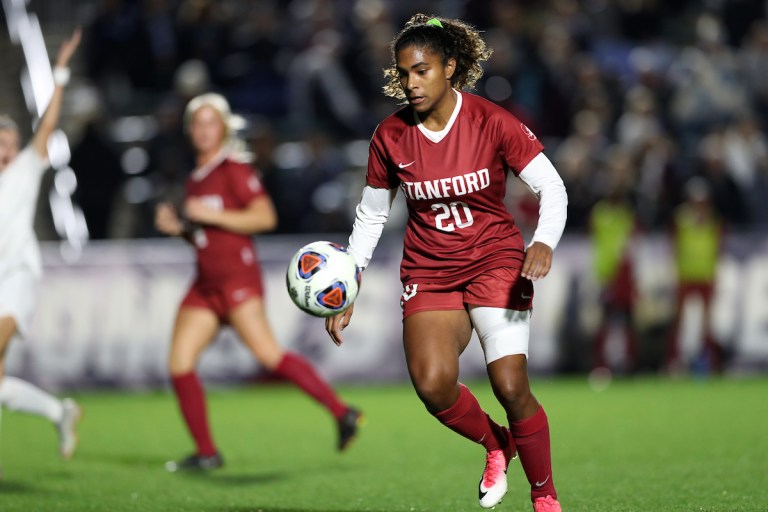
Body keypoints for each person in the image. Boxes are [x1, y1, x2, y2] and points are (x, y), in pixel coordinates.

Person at [325, 15, 567, 511]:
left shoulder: (490, 121)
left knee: (509, 384)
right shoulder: (390, 136)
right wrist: (348, 280)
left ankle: (544, 496)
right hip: (429, 270)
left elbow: (552, 186)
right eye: (404, 73)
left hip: (496, 259)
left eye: (422, 71)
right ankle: (497, 444)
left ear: (449, 67)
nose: (411, 84)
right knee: (434, 385)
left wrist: (542, 241)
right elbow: (371, 217)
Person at [155, 93, 361, 471]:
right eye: (197, 124)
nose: (203, 130)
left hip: (236, 280)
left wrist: (208, 215)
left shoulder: (233, 168)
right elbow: (208, 236)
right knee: (179, 363)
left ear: (223, 128)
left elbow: (264, 217)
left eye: (210, 122)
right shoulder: (196, 177)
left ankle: (342, 410)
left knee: (269, 355)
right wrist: (181, 229)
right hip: (205, 283)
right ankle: (206, 453)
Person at [0, 29, 83, 464]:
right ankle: (59, 411)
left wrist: (61, 71)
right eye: (0, 143)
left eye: (11, 143)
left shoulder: (26, 170)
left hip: (19, 276)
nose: (7, 150)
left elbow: (48, 124)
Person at [665, 177, 724, 373]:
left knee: (707, 324)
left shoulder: (713, 219)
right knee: (679, 322)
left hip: (705, 275)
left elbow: (718, 246)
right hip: (686, 275)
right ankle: (675, 362)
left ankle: (709, 363)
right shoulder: (681, 218)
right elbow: (673, 245)